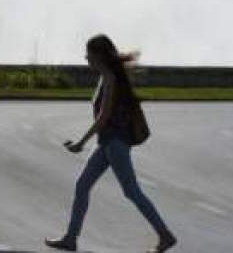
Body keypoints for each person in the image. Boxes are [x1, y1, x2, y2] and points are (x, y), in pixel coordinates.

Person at [46, 34, 177, 253]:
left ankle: (165, 235)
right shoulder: (107, 76)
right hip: (107, 143)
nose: (85, 57)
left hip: (114, 144)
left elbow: (104, 117)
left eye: (88, 53)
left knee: (131, 191)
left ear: (98, 55)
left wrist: (81, 142)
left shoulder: (110, 79)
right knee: (83, 186)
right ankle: (71, 238)